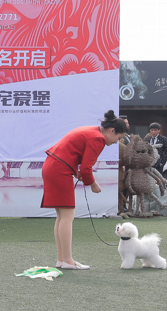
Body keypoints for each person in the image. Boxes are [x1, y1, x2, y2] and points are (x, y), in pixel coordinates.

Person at [41, 110, 128, 270]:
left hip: (53, 166)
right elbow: (87, 168)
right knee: (67, 216)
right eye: (118, 138)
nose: (116, 142)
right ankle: (67, 260)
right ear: (111, 131)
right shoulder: (98, 138)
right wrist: (93, 184)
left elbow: (71, 154)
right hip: (59, 170)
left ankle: (62, 260)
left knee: (62, 216)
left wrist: (77, 173)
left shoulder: (92, 131)